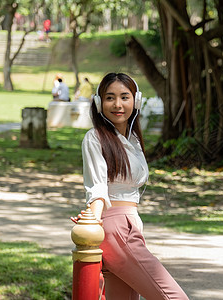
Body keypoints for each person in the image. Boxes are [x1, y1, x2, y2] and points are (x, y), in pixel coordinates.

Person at [71, 73, 189, 300]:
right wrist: (92, 220)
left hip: (130, 223)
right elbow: (97, 188)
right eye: (110, 98)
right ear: (98, 103)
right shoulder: (95, 138)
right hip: (116, 228)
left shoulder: (133, 140)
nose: (117, 104)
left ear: (136, 101)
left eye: (125, 97)